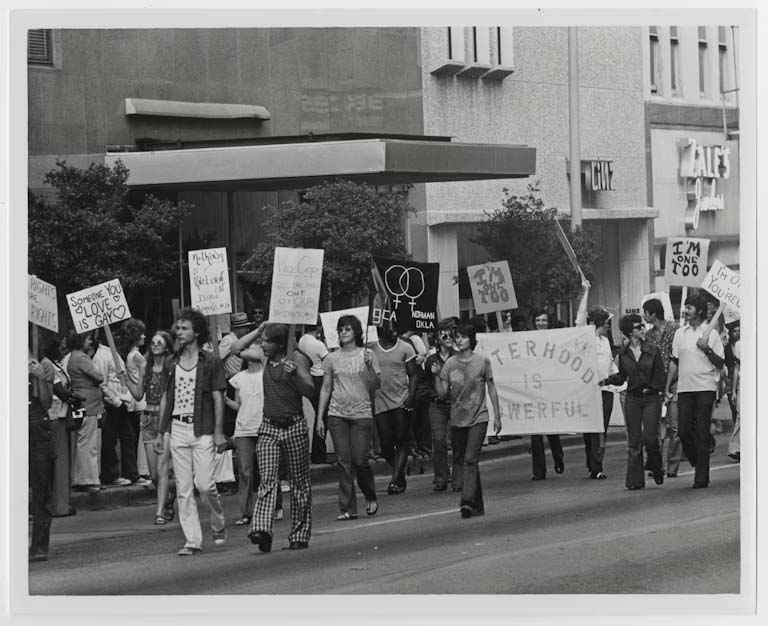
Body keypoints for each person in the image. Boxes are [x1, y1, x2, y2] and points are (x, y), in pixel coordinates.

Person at [154, 308, 228, 555]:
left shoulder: (211, 362)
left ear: (197, 332)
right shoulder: (171, 362)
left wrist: (219, 432)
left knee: (205, 485)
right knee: (183, 488)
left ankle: (217, 521)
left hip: (203, 430)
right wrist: (160, 432)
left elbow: (218, 397)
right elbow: (166, 397)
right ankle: (192, 540)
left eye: (185, 328)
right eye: (178, 328)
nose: (179, 332)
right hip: (177, 428)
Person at [246, 323, 316, 553]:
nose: (263, 345)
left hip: (294, 425)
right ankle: (263, 529)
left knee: (298, 483)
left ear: (279, 343)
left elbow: (309, 390)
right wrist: (258, 331)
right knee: (267, 478)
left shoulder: (297, 358)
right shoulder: (264, 357)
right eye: (262, 341)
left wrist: (294, 375)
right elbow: (236, 349)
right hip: (269, 427)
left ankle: (299, 533)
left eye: (267, 341)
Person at [316, 315, 381, 520]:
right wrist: (320, 417)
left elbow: (376, 384)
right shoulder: (331, 359)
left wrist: (370, 367)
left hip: (362, 413)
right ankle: (347, 508)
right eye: (341, 329)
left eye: (348, 329)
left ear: (356, 332)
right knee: (343, 462)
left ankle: (370, 493)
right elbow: (326, 388)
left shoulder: (368, 354)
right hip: (338, 414)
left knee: (360, 459)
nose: (343, 332)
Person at [433, 323, 501, 518]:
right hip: (458, 418)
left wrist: (497, 415)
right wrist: (437, 376)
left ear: (472, 340)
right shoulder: (450, 364)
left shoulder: (482, 362)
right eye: (457, 337)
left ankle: (467, 501)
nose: (459, 340)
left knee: (471, 459)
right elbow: (442, 393)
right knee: (465, 460)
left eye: (463, 336)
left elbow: (492, 388)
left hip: (479, 416)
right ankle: (477, 504)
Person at [665, 295, 725, 489]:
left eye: (689, 307)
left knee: (700, 431)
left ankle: (701, 477)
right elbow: (674, 361)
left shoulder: (712, 334)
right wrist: (667, 386)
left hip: (705, 388)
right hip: (684, 389)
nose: (685, 311)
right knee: (683, 430)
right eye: (685, 307)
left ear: (698, 311)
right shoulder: (680, 333)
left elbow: (720, 363)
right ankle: (696, 460)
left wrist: (707, 349)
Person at [601, 314, 666, 490]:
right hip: (633, 398)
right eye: (639, 327)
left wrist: (663, 391)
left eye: (642, 326)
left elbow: (661, 374)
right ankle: (635, 481)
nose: (643, 329)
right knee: (634, 441)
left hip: (652, 398)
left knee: (651, 439)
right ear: (630, 332)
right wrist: (606, 381)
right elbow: (622, 377)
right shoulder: (622, 354)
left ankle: (656, 466)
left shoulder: (653, 350)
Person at [121, 330, 176, 524]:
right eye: (153, 342)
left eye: (159, 342)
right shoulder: (146, 367)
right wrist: (126, 380)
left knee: (161, 470)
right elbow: (138, 395)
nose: (154, 345)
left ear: (167, 346)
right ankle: (169, 496)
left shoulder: (172, 367)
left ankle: (159, 512)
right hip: (147, 419)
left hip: (165, 421)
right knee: (153, 474)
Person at [575, 280, 617, 480]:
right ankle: (592, 463)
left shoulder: (606, 341)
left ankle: (596, 465)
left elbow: (610, 365)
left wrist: (619, 381)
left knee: (602, 428)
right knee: (590, 430)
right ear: (601, 323)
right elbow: (579, 320)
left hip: (606, 390)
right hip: (589, 391)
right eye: (607, 322)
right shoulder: (587, 338)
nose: (609, 326)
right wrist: (586, 291)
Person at [225, 341, 270, 526]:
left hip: (264, 426)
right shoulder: (239, 378)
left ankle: (272, 507)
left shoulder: (266, 373)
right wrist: (225, 400)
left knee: (267, 470)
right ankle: (246, 512)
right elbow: (238, 405)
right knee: (245, 471)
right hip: (243, 428)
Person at [93, 329, 145, 487]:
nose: (119, 339)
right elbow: (101, 382)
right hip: (113, 404)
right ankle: (111, 474)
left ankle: (131, 473)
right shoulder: (102, 356)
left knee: (128, 438)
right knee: (110, 440)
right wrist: (116, 402)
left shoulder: (116, 355)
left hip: (123, 403)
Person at [370, 325, 418, 495]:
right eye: (389, 328)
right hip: (380, 400)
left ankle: (395, 479)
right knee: (385, 444)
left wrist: (411, 397)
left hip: (400, 400)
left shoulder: (405, 347)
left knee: (401, 440)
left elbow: (413, 374)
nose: (394, 330)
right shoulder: (371, 347)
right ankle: (401, 473)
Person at [643, 298, 681, 477]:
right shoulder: (648, 336)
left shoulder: (675, 329)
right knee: (656, 429)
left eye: (646, 313)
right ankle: (658, 464)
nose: (644, 316)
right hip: (656, 385)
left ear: (653, 313)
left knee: (674, 427)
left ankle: (672, 466)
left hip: (675, 383)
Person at [528, 308, 565, 481]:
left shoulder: (555, 339)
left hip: (550, 391)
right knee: (535, 434)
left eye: (543, 320)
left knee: (552, 431)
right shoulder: (527, 340)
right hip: (534, 392)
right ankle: (539, 471)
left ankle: (558, 458)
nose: (541, 323)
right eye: (538, 321)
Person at [67, 331, 104, 494]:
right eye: (88, 339)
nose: (90, 342)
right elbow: (99, 377)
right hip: (88, 404)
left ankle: (82, 477)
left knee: (83, 441)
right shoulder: (81, 358)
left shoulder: (72, 356)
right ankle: (89, 479)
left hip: (84, 402)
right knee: (89, 443)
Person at [44, 337, 77, 517]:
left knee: (63, 462)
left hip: (61, 415)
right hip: (55, 416)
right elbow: (59, 390)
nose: (63, 351)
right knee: (59, 462)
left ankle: (62, 503)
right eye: (60, 348)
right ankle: (59, 506)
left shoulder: (55, 365)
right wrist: (72, 397)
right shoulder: (48, 365)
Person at [29, 339, 55, 561]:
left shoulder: (41, 366)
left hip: (37, 427)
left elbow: (47, 403)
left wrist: (41, 377)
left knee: (40, 487)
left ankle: (39, 546)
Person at [425, 319, 458, 491]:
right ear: (437, 337)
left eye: (449, 334)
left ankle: (459, 477)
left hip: (455, 403)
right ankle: (441, 478)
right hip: (436, 404)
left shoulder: (458, 357)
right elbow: (425, 382)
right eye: (442, 333)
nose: (446, 337)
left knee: (458, 439)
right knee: (438, 440)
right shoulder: (431, 359)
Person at [121, 319, 151, 486]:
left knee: (141, 434)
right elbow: (147, 375)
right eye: (141, 334)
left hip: (137, 399)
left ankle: (143, 468)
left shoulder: (131, 355)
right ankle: (143, 469)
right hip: (142, 399)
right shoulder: (137, 356)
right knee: (144, 435)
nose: (144, 336)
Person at [298, 322, 330, 464]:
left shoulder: (302, 340)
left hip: (309, 377)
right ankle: (319, 454)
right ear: (318, 327)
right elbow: (329, 362)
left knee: (319, 414)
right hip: (320, 378)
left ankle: (318, 453)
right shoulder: (318, 345)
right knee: (322, 417)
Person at [727, 337, 741, 462]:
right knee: (740, 416)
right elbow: (737, 367)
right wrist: (734, 390)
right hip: (743, 384)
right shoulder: (739, 345)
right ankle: (735, 448)